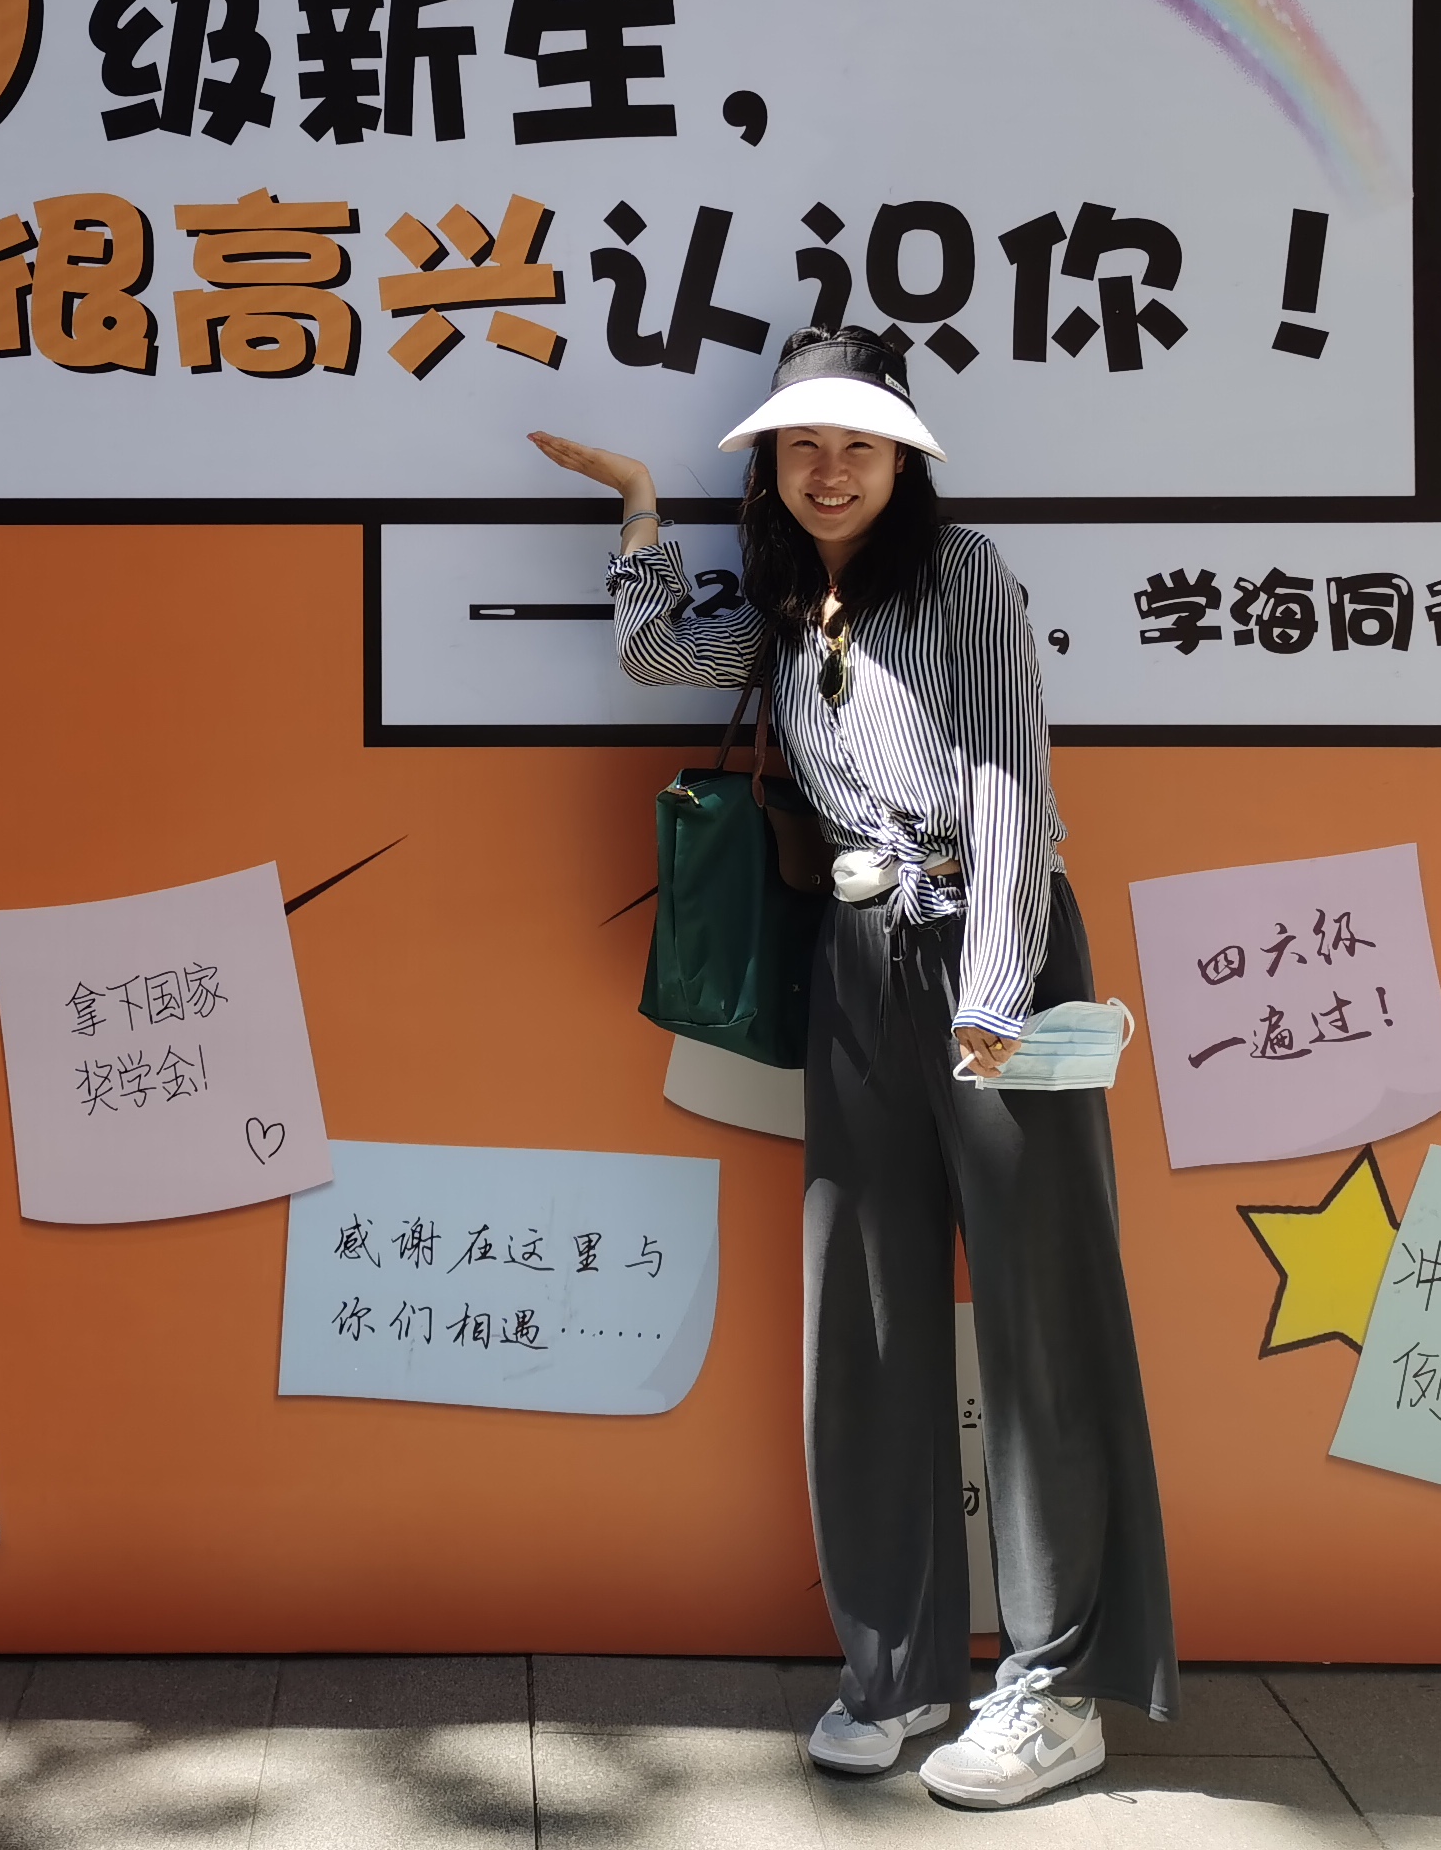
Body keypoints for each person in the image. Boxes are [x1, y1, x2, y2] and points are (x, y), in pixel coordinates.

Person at [532, 325, 1175, 1808]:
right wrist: (641, 509)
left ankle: (1056, 1687)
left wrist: (996, 996)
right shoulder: (779, 592)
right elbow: (655, 656)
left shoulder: (964, 577)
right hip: (857, 957)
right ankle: (895, 1669)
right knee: (865, 1309)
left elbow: (1009, 779)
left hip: (996, 953)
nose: (830, 471)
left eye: (860, 447)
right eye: (804, 447)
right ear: (772, 462)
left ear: (903, 460)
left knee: (1043, 1313)